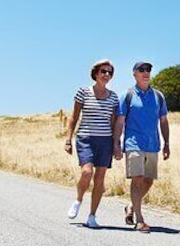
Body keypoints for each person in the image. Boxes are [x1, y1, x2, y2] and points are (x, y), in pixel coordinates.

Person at [113, 61, 170, 233]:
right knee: (137, 179)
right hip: (133, 144)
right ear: (134, 74)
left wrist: (167, 143)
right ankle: (140, 219)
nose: (146, 72)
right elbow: (120, 121)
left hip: (153, 145)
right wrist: (116, 143)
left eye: (148, 70)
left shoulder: (158, 96)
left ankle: (131, 206)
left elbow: (164, 120)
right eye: (141, 70)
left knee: (149, 180)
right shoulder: (127, 95)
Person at [64, 59, 119, 228]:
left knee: (100, 178)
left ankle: (92, 216)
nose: (106, 75)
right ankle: (78, 199)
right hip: (86, 138)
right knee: (87, 172)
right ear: (95, 73)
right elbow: (74, 116)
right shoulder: (83, 92)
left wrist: (116, 144)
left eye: (109, 72)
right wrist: (68, 139)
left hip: (105, 140)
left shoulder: (114, 97)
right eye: (103, 71)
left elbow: (114, 122)